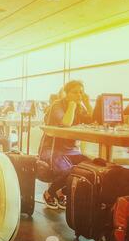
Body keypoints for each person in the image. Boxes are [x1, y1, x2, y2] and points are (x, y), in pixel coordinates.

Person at [39, 80, 93, 210]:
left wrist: (86, 103)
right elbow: (66, 123)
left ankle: (61, 192)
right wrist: (72, 105)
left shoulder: (81, 106)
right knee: (69, 170)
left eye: (81, 92)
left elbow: (92, 120)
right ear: (66, 93)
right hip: (52, 149)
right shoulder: (57, 105)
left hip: (72, 150)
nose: (79, 95)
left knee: (91, 169)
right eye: (75, 92)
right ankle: (49, 193)